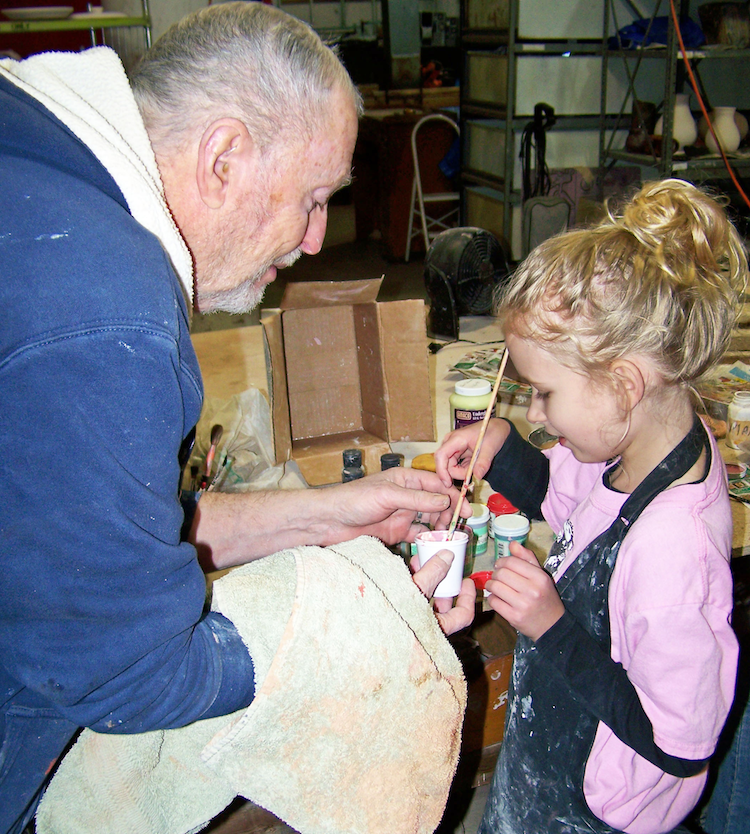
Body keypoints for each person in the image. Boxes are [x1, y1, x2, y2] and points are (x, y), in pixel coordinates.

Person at [0, 4, 474, 831]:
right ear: (224, 158)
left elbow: (110, 534)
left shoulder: (35, 145)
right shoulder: (106, 315)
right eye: (314, 198)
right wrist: (361, 607)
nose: (319, 240)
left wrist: (330, 516)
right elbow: (132, 676)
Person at [435, 178, 747, 834]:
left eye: (545, 393)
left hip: (594, 808)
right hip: (548, 758)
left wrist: (553, 629)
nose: (538, 413)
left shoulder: (674, 551)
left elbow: (676, 744)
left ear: (624, 384)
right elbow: (563, 497)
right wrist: (504, 446)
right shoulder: (630, 439)